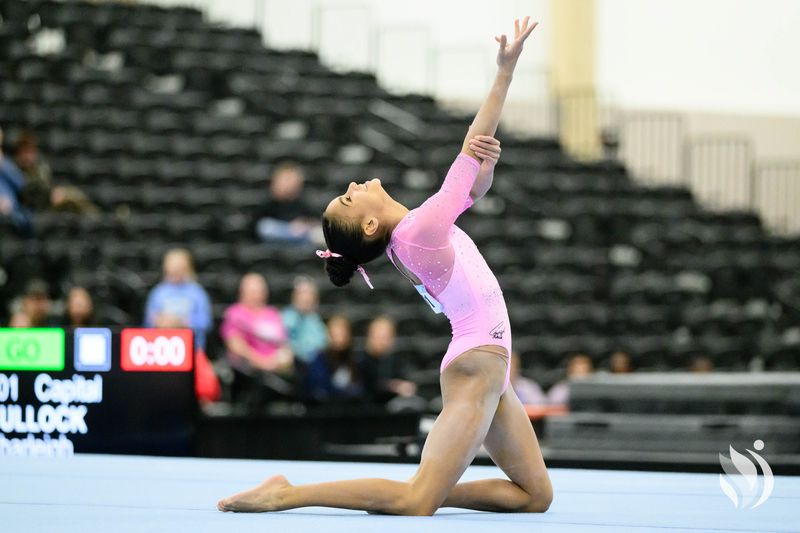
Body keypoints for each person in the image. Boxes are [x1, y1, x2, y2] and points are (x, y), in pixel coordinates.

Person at [219, 18, 551, 516]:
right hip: (475, 365)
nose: (353, 186)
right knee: (416, 502)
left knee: (535, 497)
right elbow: (470, 147)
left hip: (490, 367)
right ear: (370, 224)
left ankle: (434, 490)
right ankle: (286, 493)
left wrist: (487, 170)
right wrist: (505, 71)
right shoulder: (417, 234)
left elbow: (471, 188)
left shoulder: (418, 232)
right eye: (347, 199)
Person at [220, 273, 294, 376]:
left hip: (276, 368)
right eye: (253, 292)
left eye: (261, 291)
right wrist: (262, 362)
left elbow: (285, 343)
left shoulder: (272, 313)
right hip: (249, 371)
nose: (258, 295)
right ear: (242, 293)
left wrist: (283, 359)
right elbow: (235, 345)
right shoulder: (235, 313)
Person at [14, 130, 98, 215]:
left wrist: (54, 192)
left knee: (73, 194)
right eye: (25, 152)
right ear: (19, 154)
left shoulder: (39, 166)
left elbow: (45, 184)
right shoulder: (13, 169)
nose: (28, 156)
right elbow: (28, 191)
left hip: (47, 198)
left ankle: (95, 220)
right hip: (32, 204)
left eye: (31, 152)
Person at [144, 248, 212, 349]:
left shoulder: (197, 292)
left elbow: (206, 322)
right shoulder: (158, 292)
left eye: (179, 267)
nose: (175, 271)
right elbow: (148, 323)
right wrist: (159, 321)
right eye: (172, 267)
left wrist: (181, 322)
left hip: (192, 349)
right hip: (162, 348)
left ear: (187, 268)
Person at [253, 161, 320, 244]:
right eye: (286, 179)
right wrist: (289, 230)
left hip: (299, 239)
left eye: (292, 179)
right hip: (274, 237)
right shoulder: (267, 201)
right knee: (266, 227)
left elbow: (316, 221)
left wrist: (302, 225)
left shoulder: (303, 202)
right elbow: (255, 226)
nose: (289, 184)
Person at [358, 315, 417, 402]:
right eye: (378, 336)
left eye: (385, 337)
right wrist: (393, 386)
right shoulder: (360, 362)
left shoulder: (396, 361)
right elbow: (368, 387)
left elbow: (407, 384)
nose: (381, 341)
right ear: (369, 337)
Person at [304, 314, 362, 401]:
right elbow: (321, 388)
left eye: (342, 334)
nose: (339, 339)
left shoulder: (356, 360)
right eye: (335, 334)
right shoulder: (319, 360)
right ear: (328, 336)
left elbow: (361, 388)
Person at [280, 276, 328, 365]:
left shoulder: (315, 319)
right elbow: (283, 342)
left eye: (310, 294)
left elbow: (322, 343)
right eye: (302, 293)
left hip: (312, 365)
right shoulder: (286, 317)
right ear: (295, 296)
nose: (306, 298)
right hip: (293, 363)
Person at [0, 126, 33, 237]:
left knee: (26, 218)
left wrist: (2, 164)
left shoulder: (7, 165)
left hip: (12, 211)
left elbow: (21, 185)